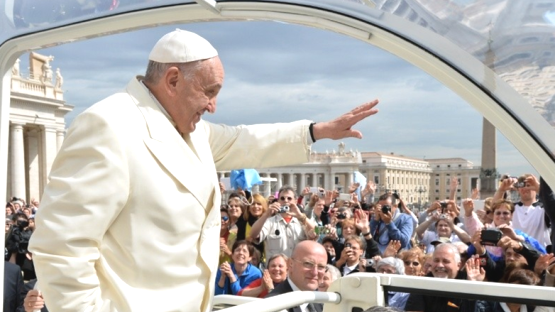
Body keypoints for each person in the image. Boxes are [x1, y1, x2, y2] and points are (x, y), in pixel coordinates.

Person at [28, 29, 380, 312]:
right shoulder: (108, 126)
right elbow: (60, 248)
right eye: (209, 92)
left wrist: (316, 131)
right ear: (173, 79)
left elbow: (247, 139)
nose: (213, 106)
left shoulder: (190, 131)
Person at [249, 186, 317, 261]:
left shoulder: (302, 220)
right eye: (282, 198)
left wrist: (300, 216)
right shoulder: (269, 222)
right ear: (278, 201)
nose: (285, 201)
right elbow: (253, 235)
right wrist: (266, 214)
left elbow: (316, 231)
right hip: (276, 269)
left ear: (295, 201)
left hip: (296, 269)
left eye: (289, 198)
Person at [405, 243, 473, 312]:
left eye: (446, 261)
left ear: (458, 265)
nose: (440, 265)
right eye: (436, 260)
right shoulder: (422, 285)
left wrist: (472, 289)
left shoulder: (467, 283)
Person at [266, 240, 328, 312]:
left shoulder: (321, 303)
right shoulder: (273, 306)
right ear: (290, 264)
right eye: (308, 264)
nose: (314, 272)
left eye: (321, 267)